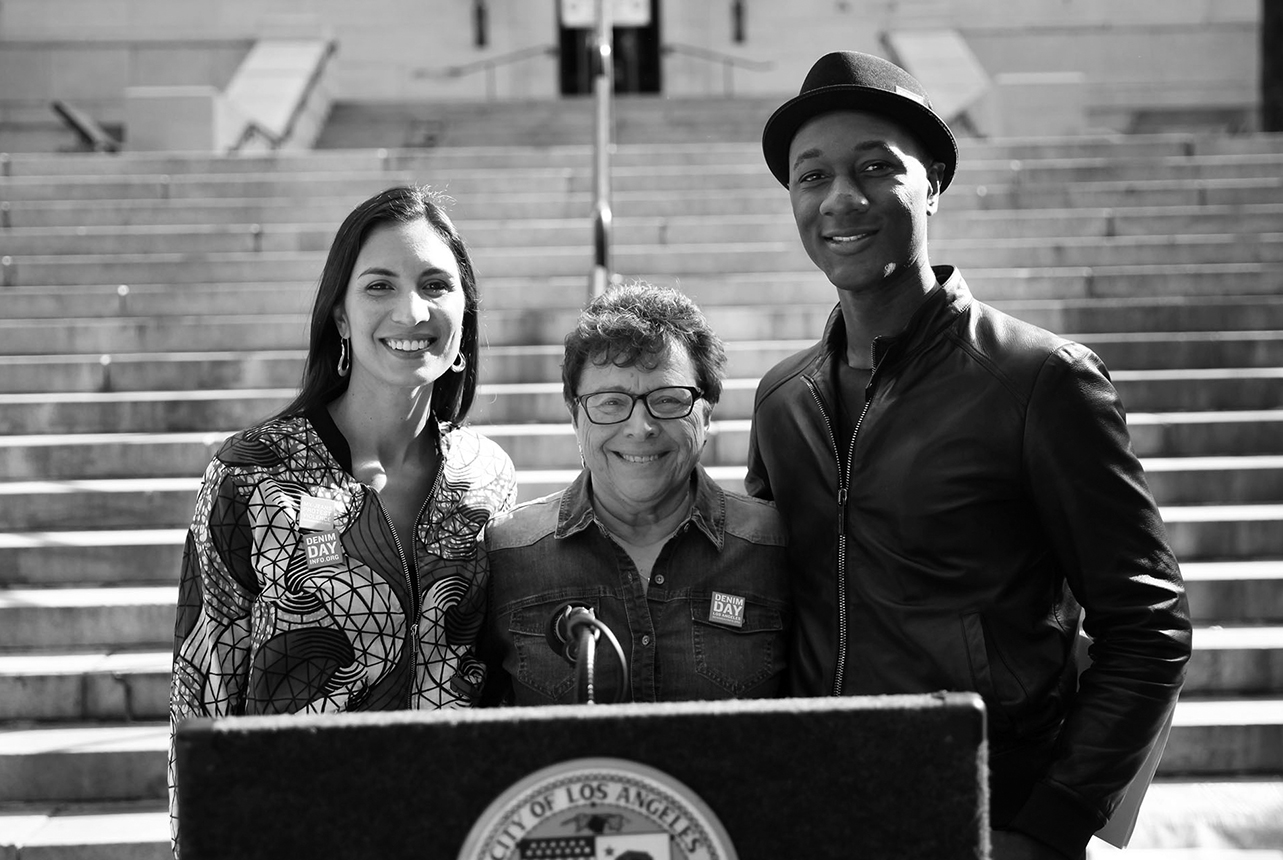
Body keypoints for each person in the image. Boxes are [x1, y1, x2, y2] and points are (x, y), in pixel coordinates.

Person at [747, 52, 1191, 859]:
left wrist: (1052, 823)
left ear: (934, 185)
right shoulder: (783, 399)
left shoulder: (1039, 379)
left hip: (988, 811)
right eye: (812, 177)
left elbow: (1148, 626)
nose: (841, 198)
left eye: (876, 167)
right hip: (821, 808)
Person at [167, 186, 516, 854]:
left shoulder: (488, 475)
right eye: (379, 285)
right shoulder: (251, 473)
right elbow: (199, 698)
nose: (411, 310)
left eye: (436, 285)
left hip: (459, 828)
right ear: (340, 316)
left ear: (465, 316)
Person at [479, 283, 791, 705]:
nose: (640, 427)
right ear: (575, 416)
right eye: (611, 403)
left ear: (708, 410)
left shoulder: (775, 547)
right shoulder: (506, 554)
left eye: (667, 400)